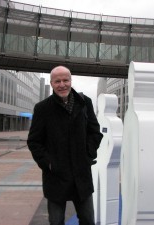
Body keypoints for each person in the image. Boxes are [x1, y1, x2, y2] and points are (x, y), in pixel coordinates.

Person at [27, 65, 103, 225]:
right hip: (56, 176)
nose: (62, 84)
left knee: (88, 220)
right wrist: (48, 163)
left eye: (65, 80)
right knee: (56, 221)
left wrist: (88, 155)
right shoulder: (42, 108)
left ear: (71, 80)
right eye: (57, 81)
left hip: (81, 176)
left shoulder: (84, 102)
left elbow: (95, 132)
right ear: (52, 83)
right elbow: (34, 141)